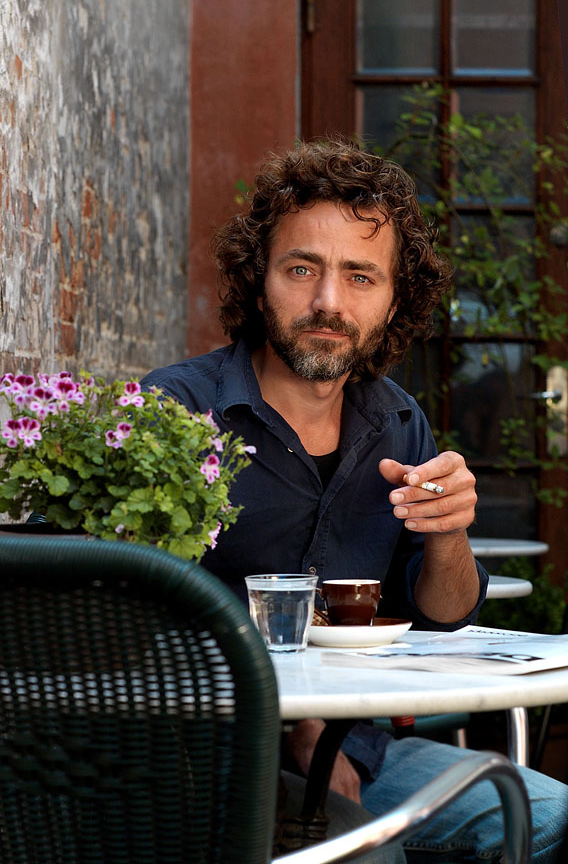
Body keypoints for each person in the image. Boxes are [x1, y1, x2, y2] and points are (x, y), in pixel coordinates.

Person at [141, 139, 568, 862]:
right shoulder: (176, 413)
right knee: (365, 852)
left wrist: (447, 532)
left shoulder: (398, 421)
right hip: (206, 757)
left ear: (393, 298)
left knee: (554, 813)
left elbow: (445, 617)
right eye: (302, 269)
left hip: (361, 751)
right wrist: (295, 726)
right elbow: (131, 617)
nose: (328, 303)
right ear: (259, 276)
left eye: (360, 276)